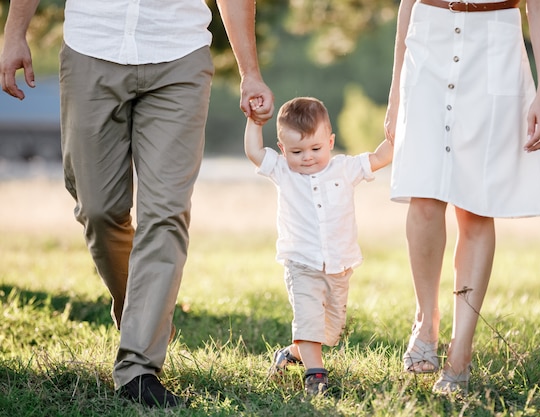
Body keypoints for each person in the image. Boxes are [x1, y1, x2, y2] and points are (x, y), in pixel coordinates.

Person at [0, 0, 273, 408]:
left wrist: (250, 72)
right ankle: (145, 313)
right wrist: (14, 32)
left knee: (165, 213)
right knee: (98, 209)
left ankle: (139, 368)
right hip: (92, 45)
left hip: (179, 53)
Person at [384, 0, 540, 394]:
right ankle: (427, 321)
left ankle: (460, 353)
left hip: (495, 41)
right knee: (424, 198)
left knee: (477, 208)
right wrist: (396, 90)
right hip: (427, 38)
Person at [244, 96, 393, 395]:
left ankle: (290, 355)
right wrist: (254, 121)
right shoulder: (283, 172)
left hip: (339, 264)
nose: (308, 157)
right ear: (284, 149)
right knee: (309, 319)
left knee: (329, 330)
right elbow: (254, 152)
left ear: (330, 141)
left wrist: (398, 130)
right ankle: (315, 374)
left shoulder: (344, 168)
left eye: (316, 148)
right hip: (301, 263)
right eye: (297, 151)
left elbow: (379, 157)